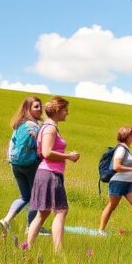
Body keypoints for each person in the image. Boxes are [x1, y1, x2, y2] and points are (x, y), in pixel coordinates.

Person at [26, 96, 80, 252]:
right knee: (61, 210)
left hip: (46, 173)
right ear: (57, 110)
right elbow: (47, 152)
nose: (67, 113)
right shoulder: (50, 128)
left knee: (42, 213)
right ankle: (58, 250)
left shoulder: (48, 127)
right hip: (51, 174)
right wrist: (69, 156)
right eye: (65, 110)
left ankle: (27, 247)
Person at [0, 96, 44, 232]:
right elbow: (41, 148)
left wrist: (10, 159)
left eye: (40, 106)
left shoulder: (18, 124)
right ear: (28, 109)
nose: (39, 109)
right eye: (36, 106)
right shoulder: (34, 126)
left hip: (15, 164)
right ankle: (31, 228)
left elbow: (11, 143)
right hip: (31, 164)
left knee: (25, 196)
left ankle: (6, 220)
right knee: (36, 197)